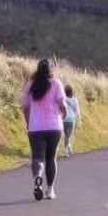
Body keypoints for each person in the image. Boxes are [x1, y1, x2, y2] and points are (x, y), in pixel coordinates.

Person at [22, 58, 67, 199]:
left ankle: (37, 178)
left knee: (38, 157)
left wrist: (28, 122)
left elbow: (26, 108)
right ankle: (50, 190)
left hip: (35, 127)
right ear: (51, 70)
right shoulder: (56, 84)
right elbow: (62, 104)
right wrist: (63, 115)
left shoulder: (30, 85)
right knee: (51, 157)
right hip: (54, 126)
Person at [63, 84, 81, 156]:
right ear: (71, 92)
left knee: (66, 135)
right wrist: (79, 122)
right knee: (68, 135)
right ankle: (67, 148)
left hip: (63, 120)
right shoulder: (75, 100)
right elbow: (77, 111)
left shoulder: (63, 99)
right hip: (71, 120)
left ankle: (68, 147)